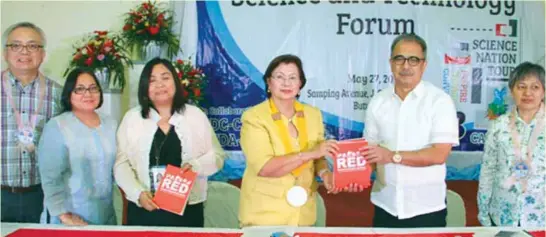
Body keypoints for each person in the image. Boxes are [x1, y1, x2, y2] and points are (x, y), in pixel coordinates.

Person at [359, 33, 459, 227]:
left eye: (413, 60)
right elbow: (369, 152)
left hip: (427, 209)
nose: (405, 66)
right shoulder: (378, 102)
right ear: (391, 63)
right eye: (399, 59)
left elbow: (439, 154)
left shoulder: (439, 101)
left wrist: (392, 156)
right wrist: (354, 176)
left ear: (424, 65)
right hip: (385, 206)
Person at [114, 57, 224, 227]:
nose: (160, 85)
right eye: (152, 80)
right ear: (145, 87)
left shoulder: (195, 116)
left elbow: (217, 156)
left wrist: (196, 166)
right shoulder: (132, 119)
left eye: (165, 78)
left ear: (175, 82)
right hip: (144, 208)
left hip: (187, 211)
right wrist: (138, 194)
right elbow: (121, 164)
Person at [238, 54, 339, 227]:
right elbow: (264, 168)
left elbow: (318, 157)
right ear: (269, 83)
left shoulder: (313, 114)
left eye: (293, 77)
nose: (286, 83)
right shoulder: (254, 117)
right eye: (279, 77)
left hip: (303, 215)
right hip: (264, 215)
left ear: (300, 85)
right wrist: (310, 153)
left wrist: (325, 174)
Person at [37, 68, 117, 225]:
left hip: (105, 215)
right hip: (68, 217)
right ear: (69, 94)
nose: (88, 94)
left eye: (93, 88)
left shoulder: (110, 124)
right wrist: (63, 215)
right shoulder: (57, 126)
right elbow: (50, 177)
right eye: (79, 89)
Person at [1, 22, 62, 223]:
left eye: (32, 46)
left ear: (42, 54)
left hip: (40, 195)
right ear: (5, 53)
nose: (24, 52)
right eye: (16, 45)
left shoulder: (58, 94)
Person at [478, 62, 545, 227]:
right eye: (521, 87)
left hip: (541, 216)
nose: (527, 93)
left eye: (535, 87)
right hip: (502, 214)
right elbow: (488, 170)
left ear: (543, 92)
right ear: (511, 91)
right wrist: (483, 210)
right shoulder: (498, 126)